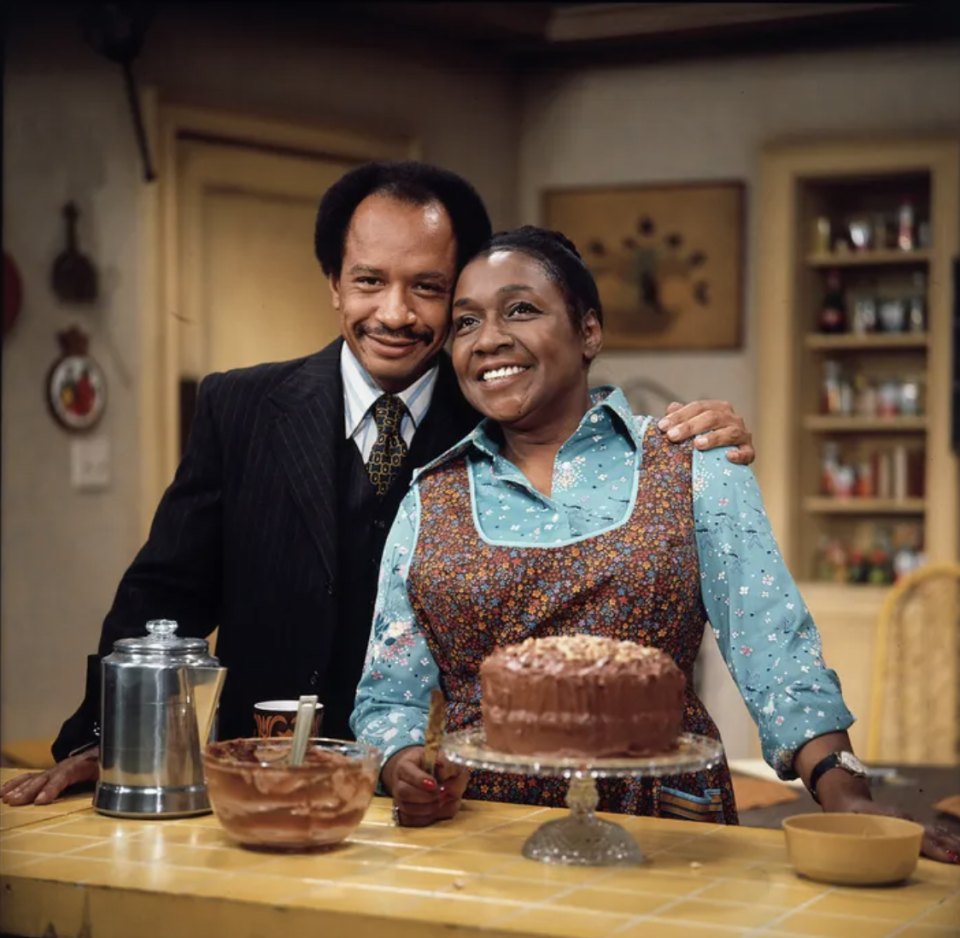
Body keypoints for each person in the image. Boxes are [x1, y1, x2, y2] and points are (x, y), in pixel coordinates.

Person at [1, 163, 755, 808]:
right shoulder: (240, 409)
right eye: (369, 281)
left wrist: (693, 431)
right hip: (263, 780)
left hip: (437, 795)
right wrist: (106, 735)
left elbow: (596, 441)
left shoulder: (505, 414)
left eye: (427, 288)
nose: (394, 314)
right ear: (334, 283)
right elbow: (162, 594)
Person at [351, 226, 960, 864]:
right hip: (485, 832)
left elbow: (775, 653)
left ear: (589, 331)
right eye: (466, 322)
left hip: (668, 826)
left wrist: (846, 793)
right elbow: (389, 694)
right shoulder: (430, 497)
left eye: (521, 309)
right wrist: (404, 770)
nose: (488, 339)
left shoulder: (693, 464)